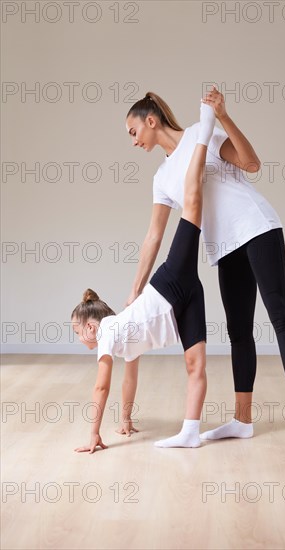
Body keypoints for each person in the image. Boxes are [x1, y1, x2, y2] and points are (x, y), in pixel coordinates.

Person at [125, 87, 285, 465]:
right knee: (238, 331)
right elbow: (154, 236)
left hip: (257, 227)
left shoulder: (202, 132)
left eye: (133, 132)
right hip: (223, 245)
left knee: (279, 314)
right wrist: (135, 293)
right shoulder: (162, 177)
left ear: (150, 121)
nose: (133, 141)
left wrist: (224, 115)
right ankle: (242, 420)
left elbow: (251, 163)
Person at [71, 102, 217, 453]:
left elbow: (101, 388)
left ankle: (205, 132)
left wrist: (93, 432)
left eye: (77, 331)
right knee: (195, 363)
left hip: (168, 283)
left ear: (92, 326)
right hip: (185, 298)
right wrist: (124, 419)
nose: (79, 338)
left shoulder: (107, 334)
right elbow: (129, 380)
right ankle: (191, 431)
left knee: (192, 205)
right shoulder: (124, 335)